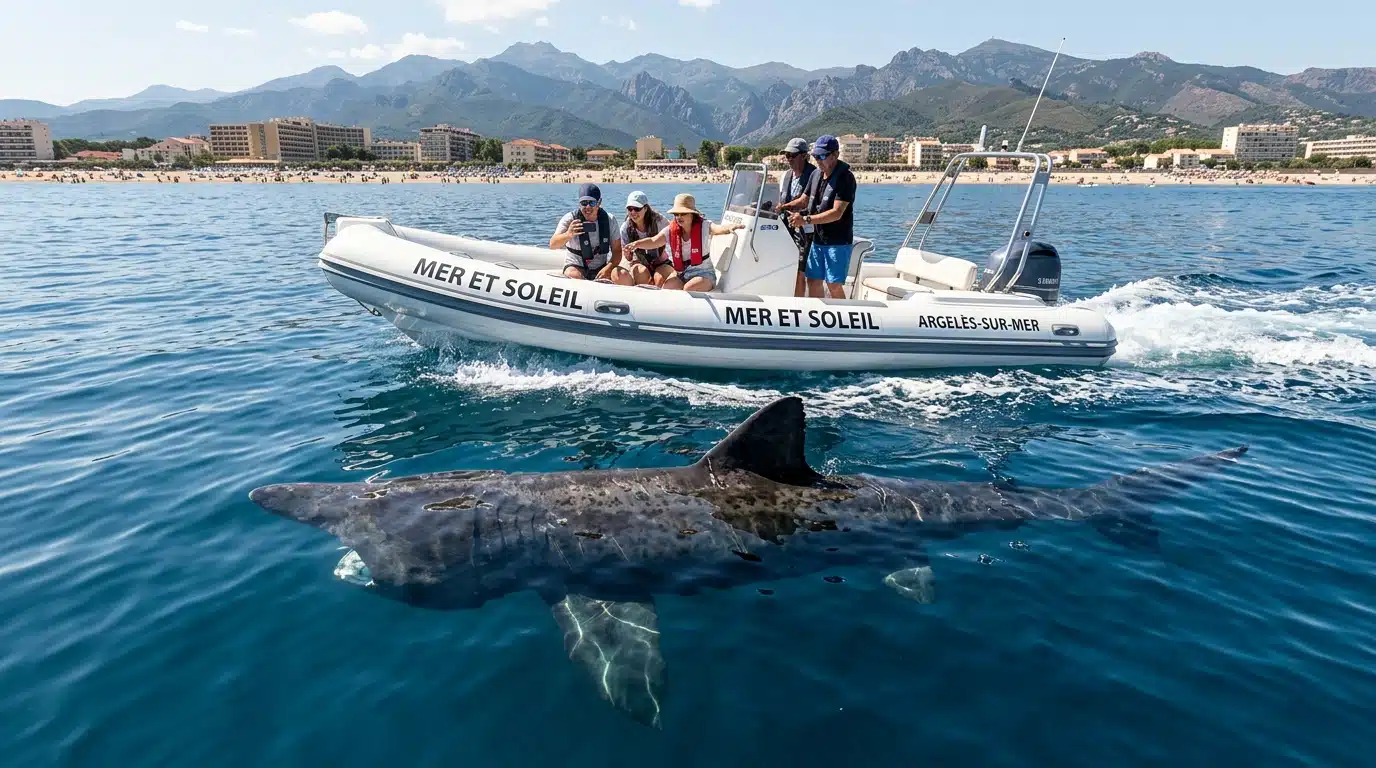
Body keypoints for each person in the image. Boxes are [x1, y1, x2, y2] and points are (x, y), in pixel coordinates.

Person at [623, 193, 744, 291]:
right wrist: (636, 244)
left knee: (688, 289)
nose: (679, 217)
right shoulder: (671, 230)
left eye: (683, 214)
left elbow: (718, 229)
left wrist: (729, 227)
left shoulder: (704, 226)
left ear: (692, 214)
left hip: (704, 274)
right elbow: (654, 241)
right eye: (676, 214)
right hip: (682, 273)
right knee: (667, 288)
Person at [788, 135, 856, 299]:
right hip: (818, 239)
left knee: (833, 284)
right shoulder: (816, 175)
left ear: (836, 155)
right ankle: (816, 317)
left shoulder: (846, 178)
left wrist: (805, 220)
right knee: (812, 280)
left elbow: (836, 213)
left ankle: (843, 318)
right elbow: (804, 200)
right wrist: (784, 206)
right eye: (815, 156)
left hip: (837, 242)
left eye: (822, 156)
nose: (818, 160)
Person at [549, 183, 631, 284]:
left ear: (599, 202)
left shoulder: (609, 220)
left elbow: (617, 251)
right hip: (576, 266)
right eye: (584, 203)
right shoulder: (570, 219)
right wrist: (569, 234)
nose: (587, 207)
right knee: (574, 275)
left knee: (621, 274)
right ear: (579, 203)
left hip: (601, 268)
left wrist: (608, 268)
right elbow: (553, 244)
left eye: (591, 203)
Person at [776, 137, 816, 297]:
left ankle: (798, 304)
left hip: (806, 231)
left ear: (804, 155)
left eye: (792, 155)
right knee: (786, 267)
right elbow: (782, 200)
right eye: (787, 155)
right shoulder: (786, 176)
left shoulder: (814, 175)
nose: (789, 159)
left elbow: (811, 204)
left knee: (800, 271)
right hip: (786, 230)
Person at [619, 191, 672, 286]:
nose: (633, 212)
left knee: (659, 278)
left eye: (637, 208)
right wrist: (628, 255)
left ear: (646, 208)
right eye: (630, 209)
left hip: (661, 262)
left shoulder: (659, 221)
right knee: (641, 272)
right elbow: (628, 258)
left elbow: (675, 229)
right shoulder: (625, 228)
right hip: (639, 263)